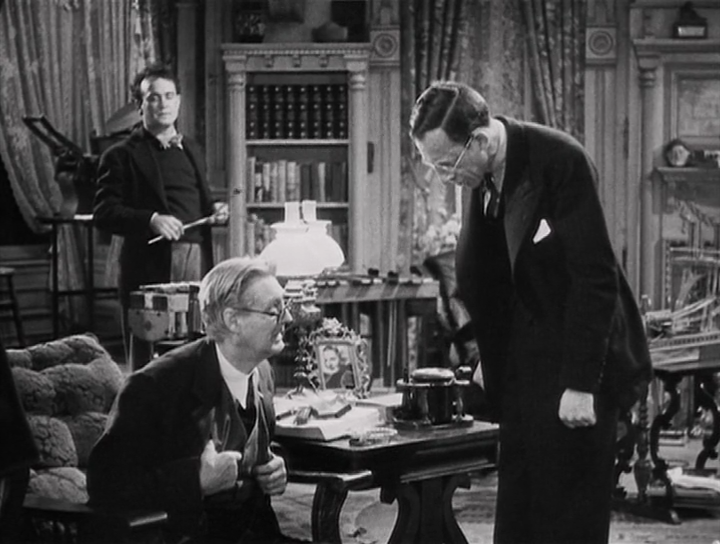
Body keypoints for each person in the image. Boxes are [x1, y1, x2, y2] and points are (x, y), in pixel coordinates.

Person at [410, 81, 653, 544]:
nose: (443, 177)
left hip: (576, 363)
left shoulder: (561, 161)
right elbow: (494, 278)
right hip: (524, 368)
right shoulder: (479, 174)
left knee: (567, 520)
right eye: (432, 165)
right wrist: (490, 356)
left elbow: (594, 278)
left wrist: (580, 384)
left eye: (446, 164)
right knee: (519, 514)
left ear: (481, 141)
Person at [87, 257, 304, 544]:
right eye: (274, 311)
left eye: (286, 308)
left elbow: (250, 438)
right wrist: (196, 481)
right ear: (232, 320)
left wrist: (274, 465)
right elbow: (106, 487)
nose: (287, 320)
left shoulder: (262, 370)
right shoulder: (153, 387)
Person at [93, 62, 228, 368]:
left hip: (196, 262)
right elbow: (104, 213)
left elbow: (203, 199)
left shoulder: (192, 148)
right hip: (148, 267)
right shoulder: (119, 155)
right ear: (139, 105)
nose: (163, 104)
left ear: (178, 101)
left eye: (169, 96)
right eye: (153, 97)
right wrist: (150, 219)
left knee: (194, 354)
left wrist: (216, 209)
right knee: (147, 363)